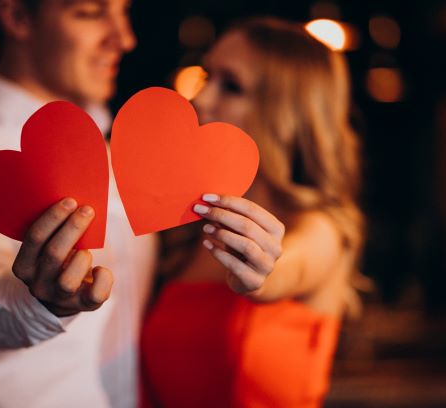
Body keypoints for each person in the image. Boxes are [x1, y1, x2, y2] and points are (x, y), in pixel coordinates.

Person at [0, 1, 283, 407]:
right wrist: (38, 302)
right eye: (89, 12)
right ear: (17, 17)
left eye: (124, 12)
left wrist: (258, 261)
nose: (123, 39)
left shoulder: (119, 155)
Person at [140, 17, 365, 408]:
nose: (201, 99)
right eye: (207, 76)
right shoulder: (189, 229)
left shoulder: (320, 228)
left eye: (231, 85)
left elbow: (284, 268)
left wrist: (263, 271)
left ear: (288, 112)